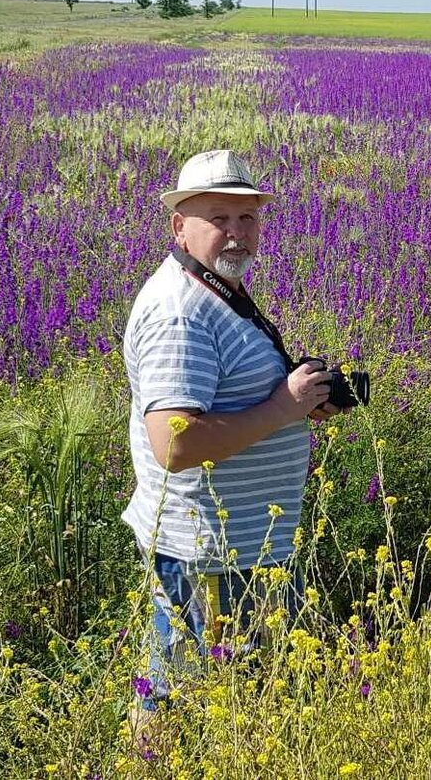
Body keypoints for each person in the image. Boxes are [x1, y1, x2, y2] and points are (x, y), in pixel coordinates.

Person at [121, 149, 340, 720]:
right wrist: (280, 409)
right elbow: (176, 443)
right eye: (218, 219)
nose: (236, 233)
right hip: (210, 554)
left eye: (247, 218)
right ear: (179, 227)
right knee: (193, 702)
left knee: (217, 694)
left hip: (239, 545)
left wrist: (297, 405)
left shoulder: (216, 290)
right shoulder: (180, 313)